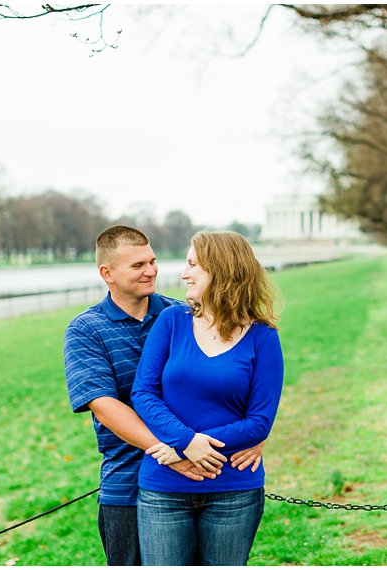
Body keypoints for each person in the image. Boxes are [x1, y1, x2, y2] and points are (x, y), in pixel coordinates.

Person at [64, 225, 265, 566]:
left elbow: (235, 380)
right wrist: (173, 450)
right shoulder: (86, 329)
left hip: (208, 471)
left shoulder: (183, 315)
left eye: (152, 260)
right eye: (138, 265)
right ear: (106, 273)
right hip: (128, 482)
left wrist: (252, 434)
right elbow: (105, 405)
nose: (151, 270)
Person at [131, 230, 284, 566]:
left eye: (193, 265)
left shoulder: (263, 337)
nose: (184, 274)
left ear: (223, 270)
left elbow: (259, 422)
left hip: (233, 489)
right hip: (164, 485)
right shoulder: (172, 322)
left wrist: (195, 445)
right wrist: (185, 442)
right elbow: (143, 393)